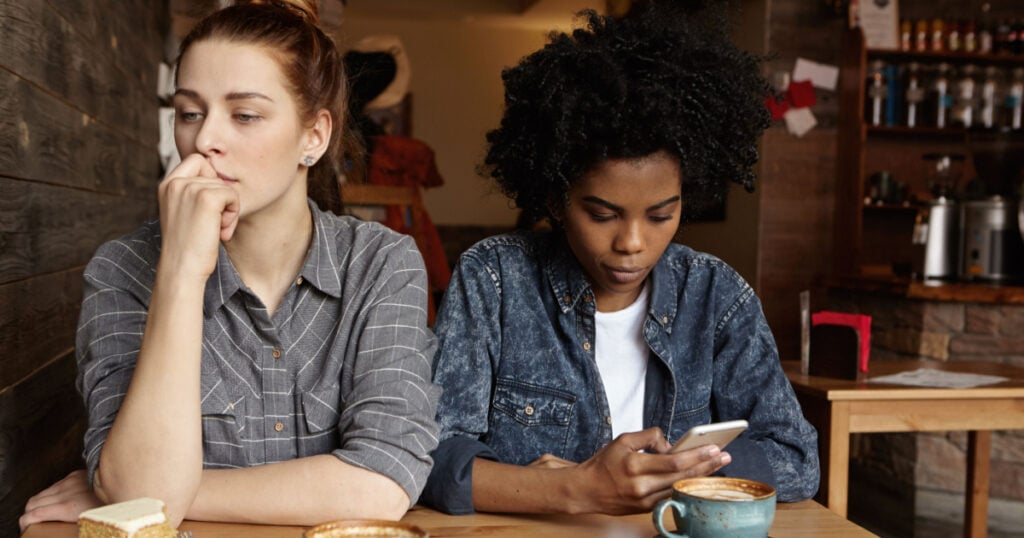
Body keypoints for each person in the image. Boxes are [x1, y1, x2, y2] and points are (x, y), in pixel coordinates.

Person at [20, 0, 439, 530]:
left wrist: (152, 493)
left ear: (314, 136)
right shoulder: (123, 269)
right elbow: (142, 491)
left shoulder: (382, 263)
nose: (205, 140)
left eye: (244, 115)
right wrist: (180, 270)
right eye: (191, 112)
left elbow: (383, 484)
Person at [421, 0, 819, 516]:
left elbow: (796, 457)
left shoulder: (716, 295)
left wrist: (673, 471)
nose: (632, 242)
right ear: (554, 198)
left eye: (660, 215)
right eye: (603, 214)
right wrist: (574, 490)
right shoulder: (495, 280)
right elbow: (430, 455)